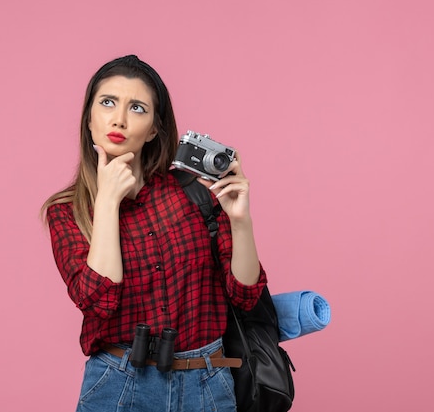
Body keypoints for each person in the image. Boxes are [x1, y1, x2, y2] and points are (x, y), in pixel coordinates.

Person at [42, 54, 267, 412]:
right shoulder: (66, 211)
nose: (119, 118)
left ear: (154, 129)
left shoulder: (192, 191)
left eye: (137, 108)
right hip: (118, 383)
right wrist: (107, 202)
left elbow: (244, 295)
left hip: (207, 384)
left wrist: (241, 220)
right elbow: (99, 299)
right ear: (89, 117)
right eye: (108, 102)